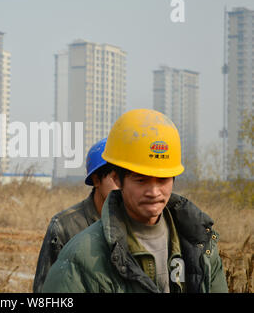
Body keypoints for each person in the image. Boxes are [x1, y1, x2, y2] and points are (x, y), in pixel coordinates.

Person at [42, 109, 228, 293]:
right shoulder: (80, 259)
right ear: (117, 179)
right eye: (141, 180)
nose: (154, 192)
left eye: (163, 179)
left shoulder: (200, 245)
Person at [32, 138, 118, 292]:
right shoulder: (65, 226)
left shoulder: (139, 222)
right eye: (116, 178)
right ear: (96, 179)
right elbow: (44, 287)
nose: (124, 186)